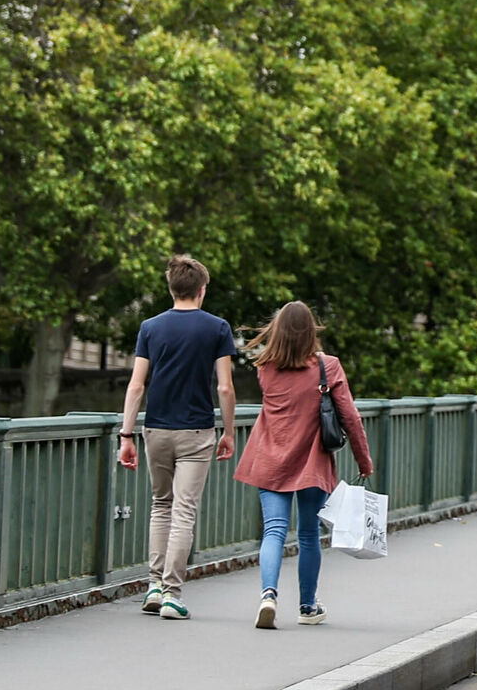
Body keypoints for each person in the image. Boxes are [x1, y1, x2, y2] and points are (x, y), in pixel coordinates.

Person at [233, 301, 372, 628]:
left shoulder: (265, 367)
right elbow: (350, 417)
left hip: (270, 459)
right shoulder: (329, 367)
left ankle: (269, 594)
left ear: (277, 331)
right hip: (312, 463)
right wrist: (363, 460)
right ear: (311, 331)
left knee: (274, 530)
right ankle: (308, 607)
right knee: (308, 534)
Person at [116, 256, 238, 622]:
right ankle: (172, 593)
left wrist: (126, 434)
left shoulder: (150, 328)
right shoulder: (217, 328)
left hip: (156, 429)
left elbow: (137, 385)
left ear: (172, 289)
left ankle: (153, 585)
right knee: (184, 511)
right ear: (202, 290)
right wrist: (229, 432)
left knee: (160, 505)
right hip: (197, 431)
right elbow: (225, 387)